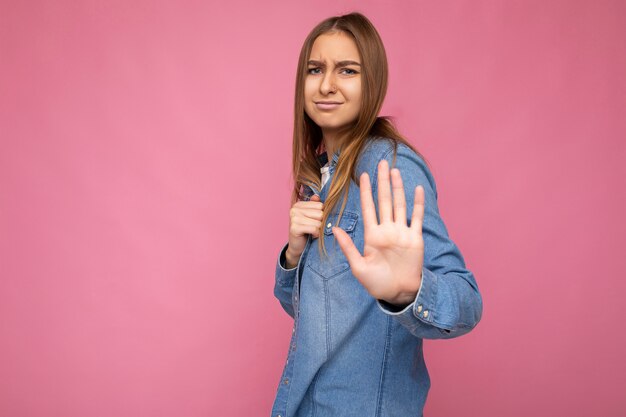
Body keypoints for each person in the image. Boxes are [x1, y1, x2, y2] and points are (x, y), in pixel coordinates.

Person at [271, 12, 483, 417]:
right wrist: (293, 257)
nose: (327, 85)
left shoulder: (389, 168)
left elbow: (467, 301)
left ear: (373, 82)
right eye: (315, 69)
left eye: (347, 70)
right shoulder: (320, 176)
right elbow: (312, 315)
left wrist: (408, 291)